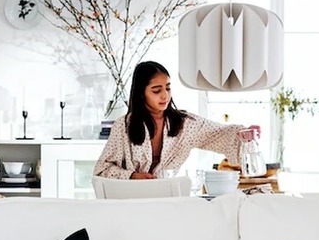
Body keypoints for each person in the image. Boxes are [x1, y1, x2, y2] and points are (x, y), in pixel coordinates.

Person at [94, 60, 260, 180]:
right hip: (130, 201)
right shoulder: (123, 126)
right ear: (141, 93)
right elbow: (102, 170)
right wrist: (132, 176)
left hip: (168, 198)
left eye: (168, 88)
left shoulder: (185, 124)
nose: (165, 95)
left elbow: (219, 133)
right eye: (156, 90)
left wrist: (244, 133)